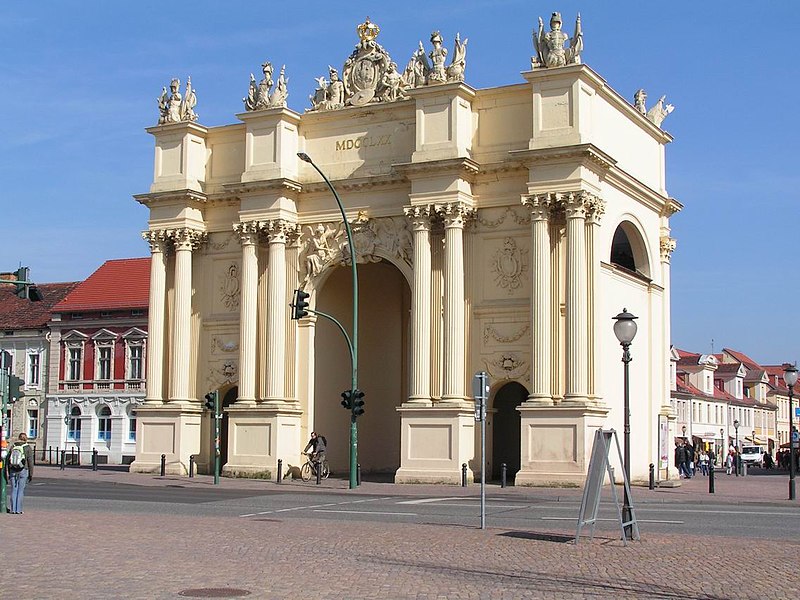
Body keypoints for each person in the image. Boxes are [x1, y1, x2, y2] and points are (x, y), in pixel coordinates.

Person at [5, 433, 34, 514]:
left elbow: (8, 460)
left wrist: (8, 470)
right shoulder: (27, 447)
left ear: (19, 438)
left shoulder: (13, 446)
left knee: (14, 490)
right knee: (20, 491)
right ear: (26, 439)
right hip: (23, 470)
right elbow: (30, 462)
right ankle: (19, 510)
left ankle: (13, 509)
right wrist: (31, 474)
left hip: (13, 470)